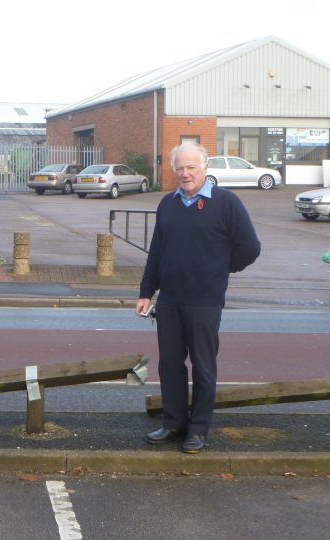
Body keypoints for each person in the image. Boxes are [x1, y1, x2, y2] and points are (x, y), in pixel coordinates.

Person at [136, 142, 260, 453]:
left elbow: (250, 248)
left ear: (205, 168)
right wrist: (145, 293)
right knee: (170, 365)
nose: (185, 173)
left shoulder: (226, 203)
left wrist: (221, 269)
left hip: (205, 300)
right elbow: (157, 253)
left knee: (203, 367)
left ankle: (198, 429)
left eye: (191, 167)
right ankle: (174, 423)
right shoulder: (168, 204)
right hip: (170, 300)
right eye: (180, 167)